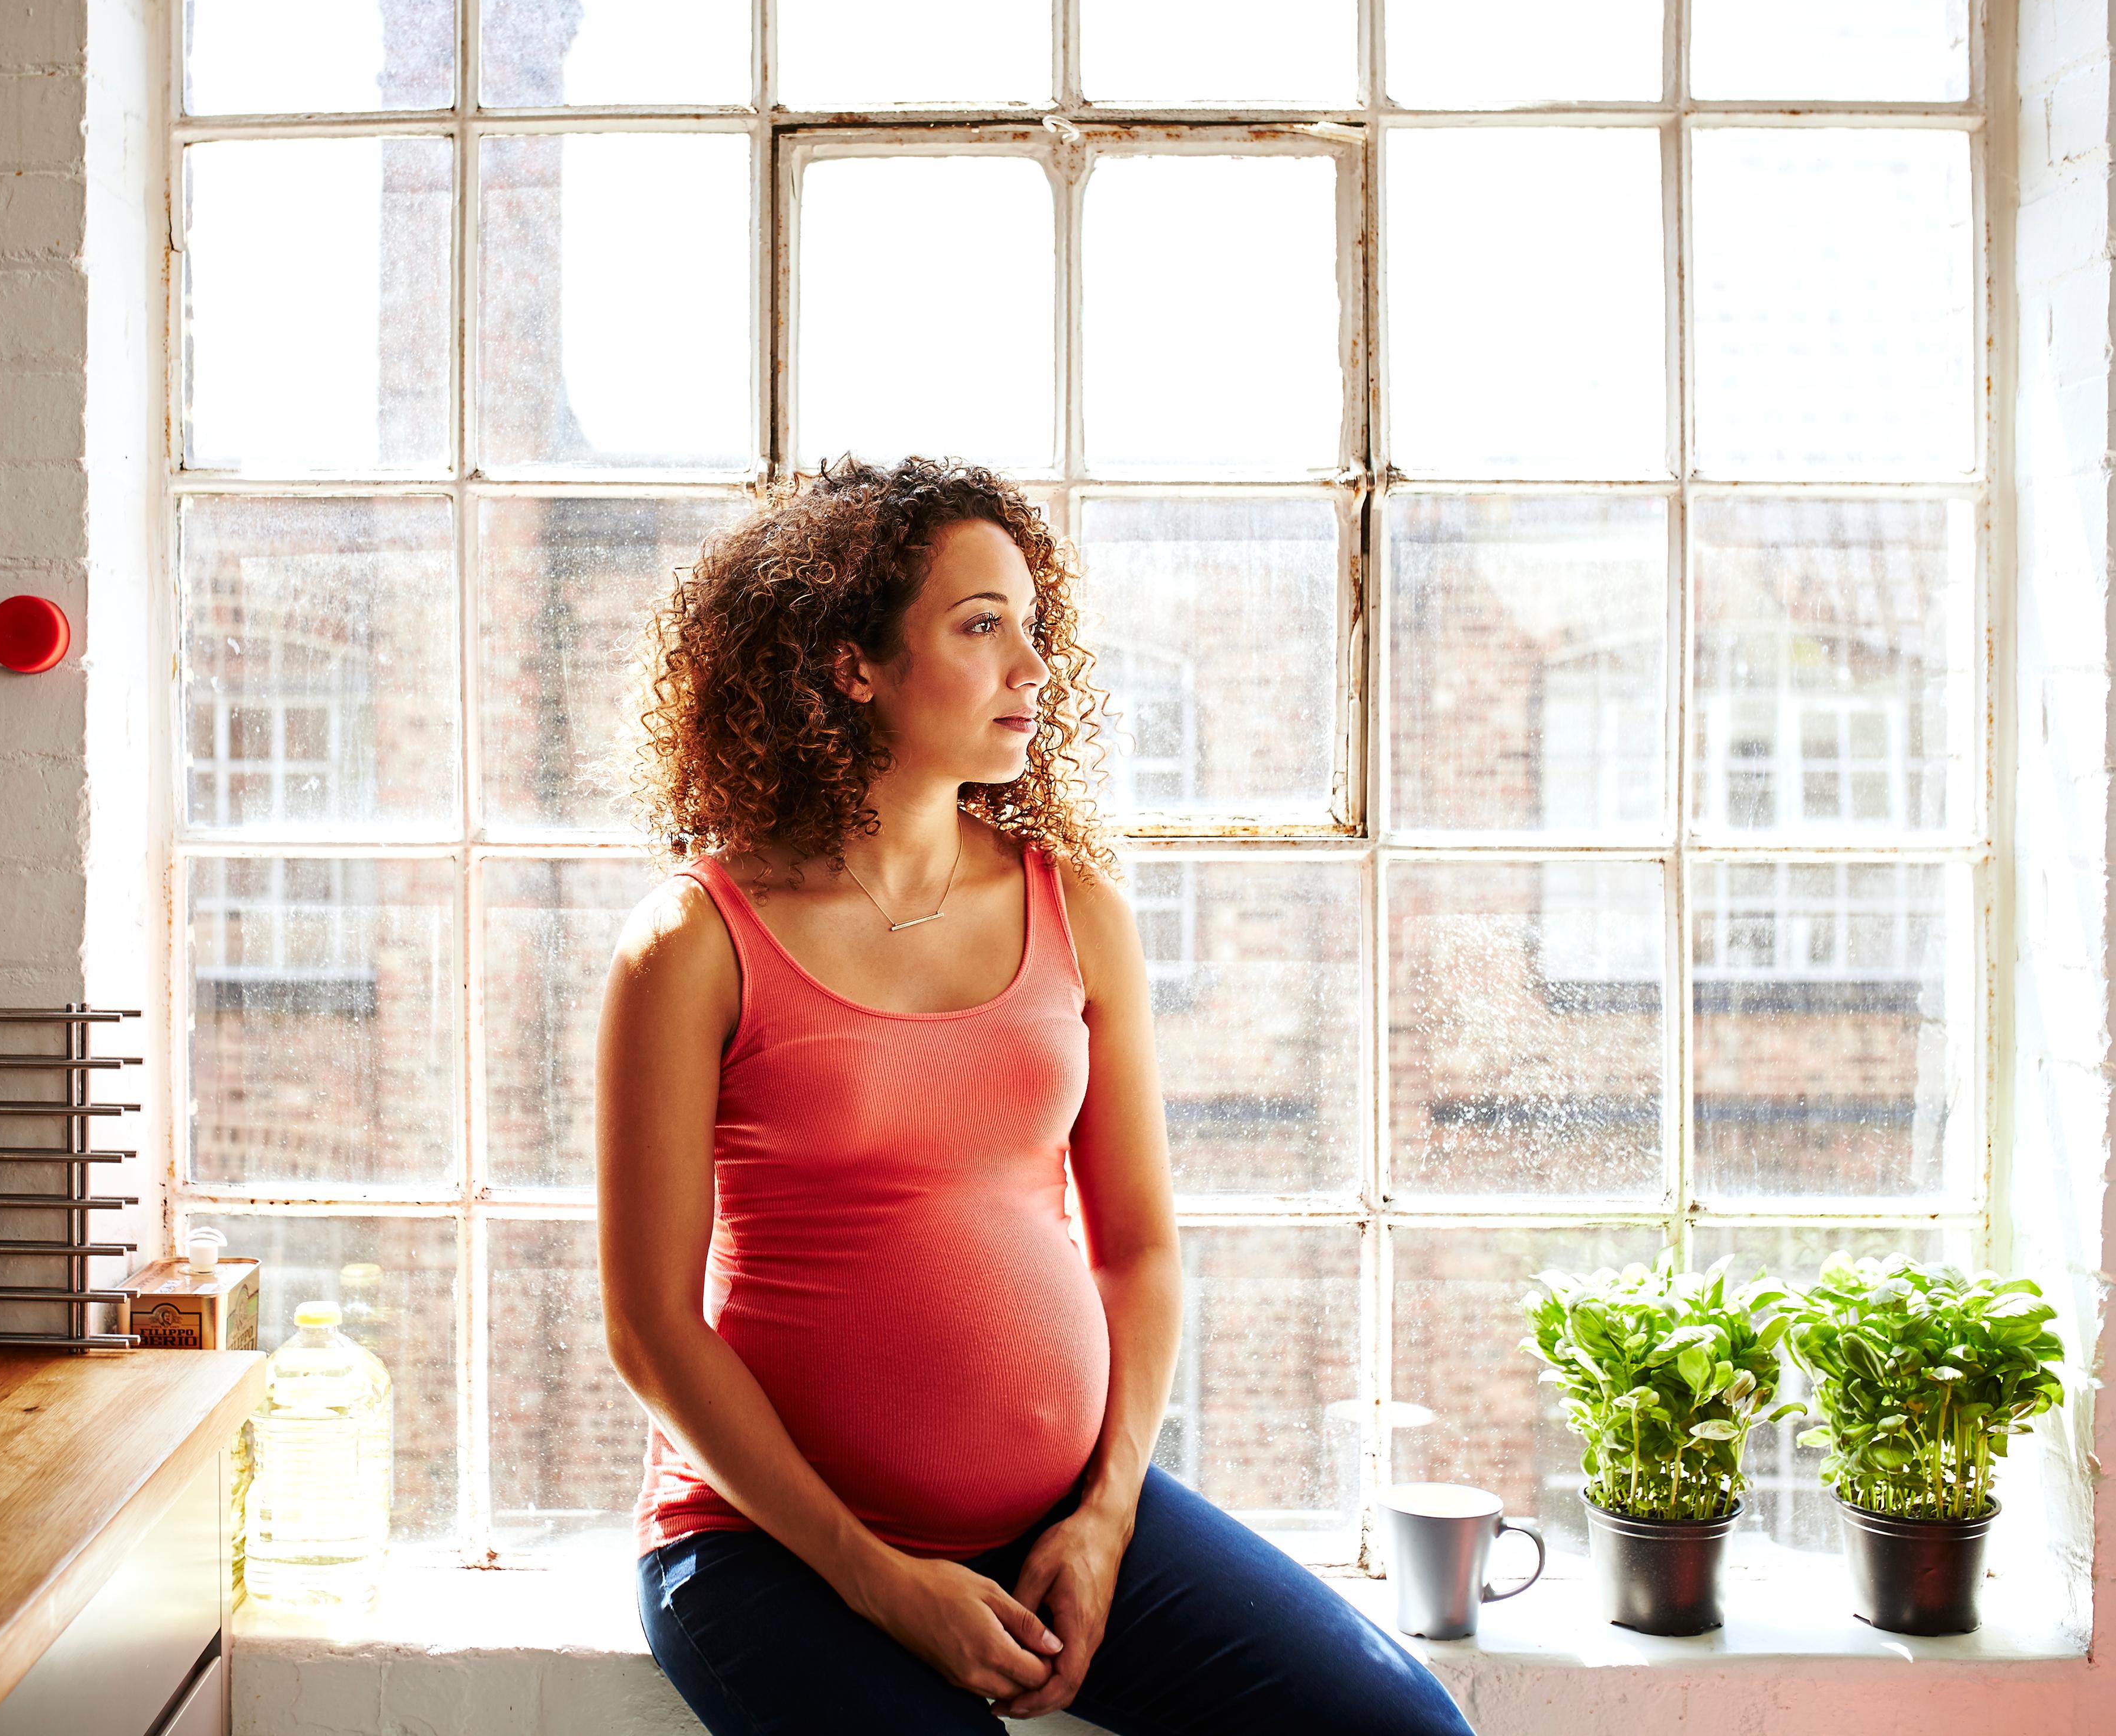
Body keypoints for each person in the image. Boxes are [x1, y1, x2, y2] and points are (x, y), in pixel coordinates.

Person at [595, 457, 1473, 1735]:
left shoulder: (1075, 908)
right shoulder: (692, 941)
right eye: (978, 626)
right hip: (767, 1551)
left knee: (1408, 1732)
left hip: (1058, 1520)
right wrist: (881, 1584)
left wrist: (1107, 1517)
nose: (1031, 668)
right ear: (853, 664)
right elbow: (649, 1330)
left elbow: (1140, 1252)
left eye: (1032, 627)